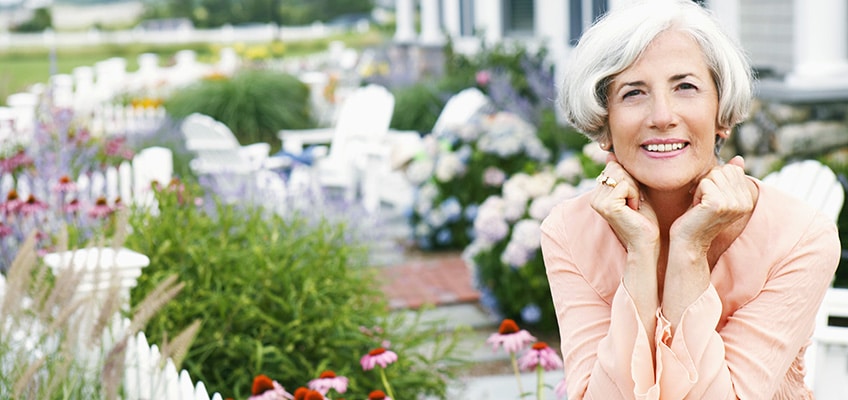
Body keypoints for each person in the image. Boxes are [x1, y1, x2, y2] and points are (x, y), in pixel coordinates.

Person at [540, 1, 841, 399]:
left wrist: (690, 249)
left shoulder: (801, 240)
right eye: (633, 93)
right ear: (604, 123)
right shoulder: (569, 233)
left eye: (685, 87)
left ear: (722, 114)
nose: (662, 116)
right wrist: (640, 253)